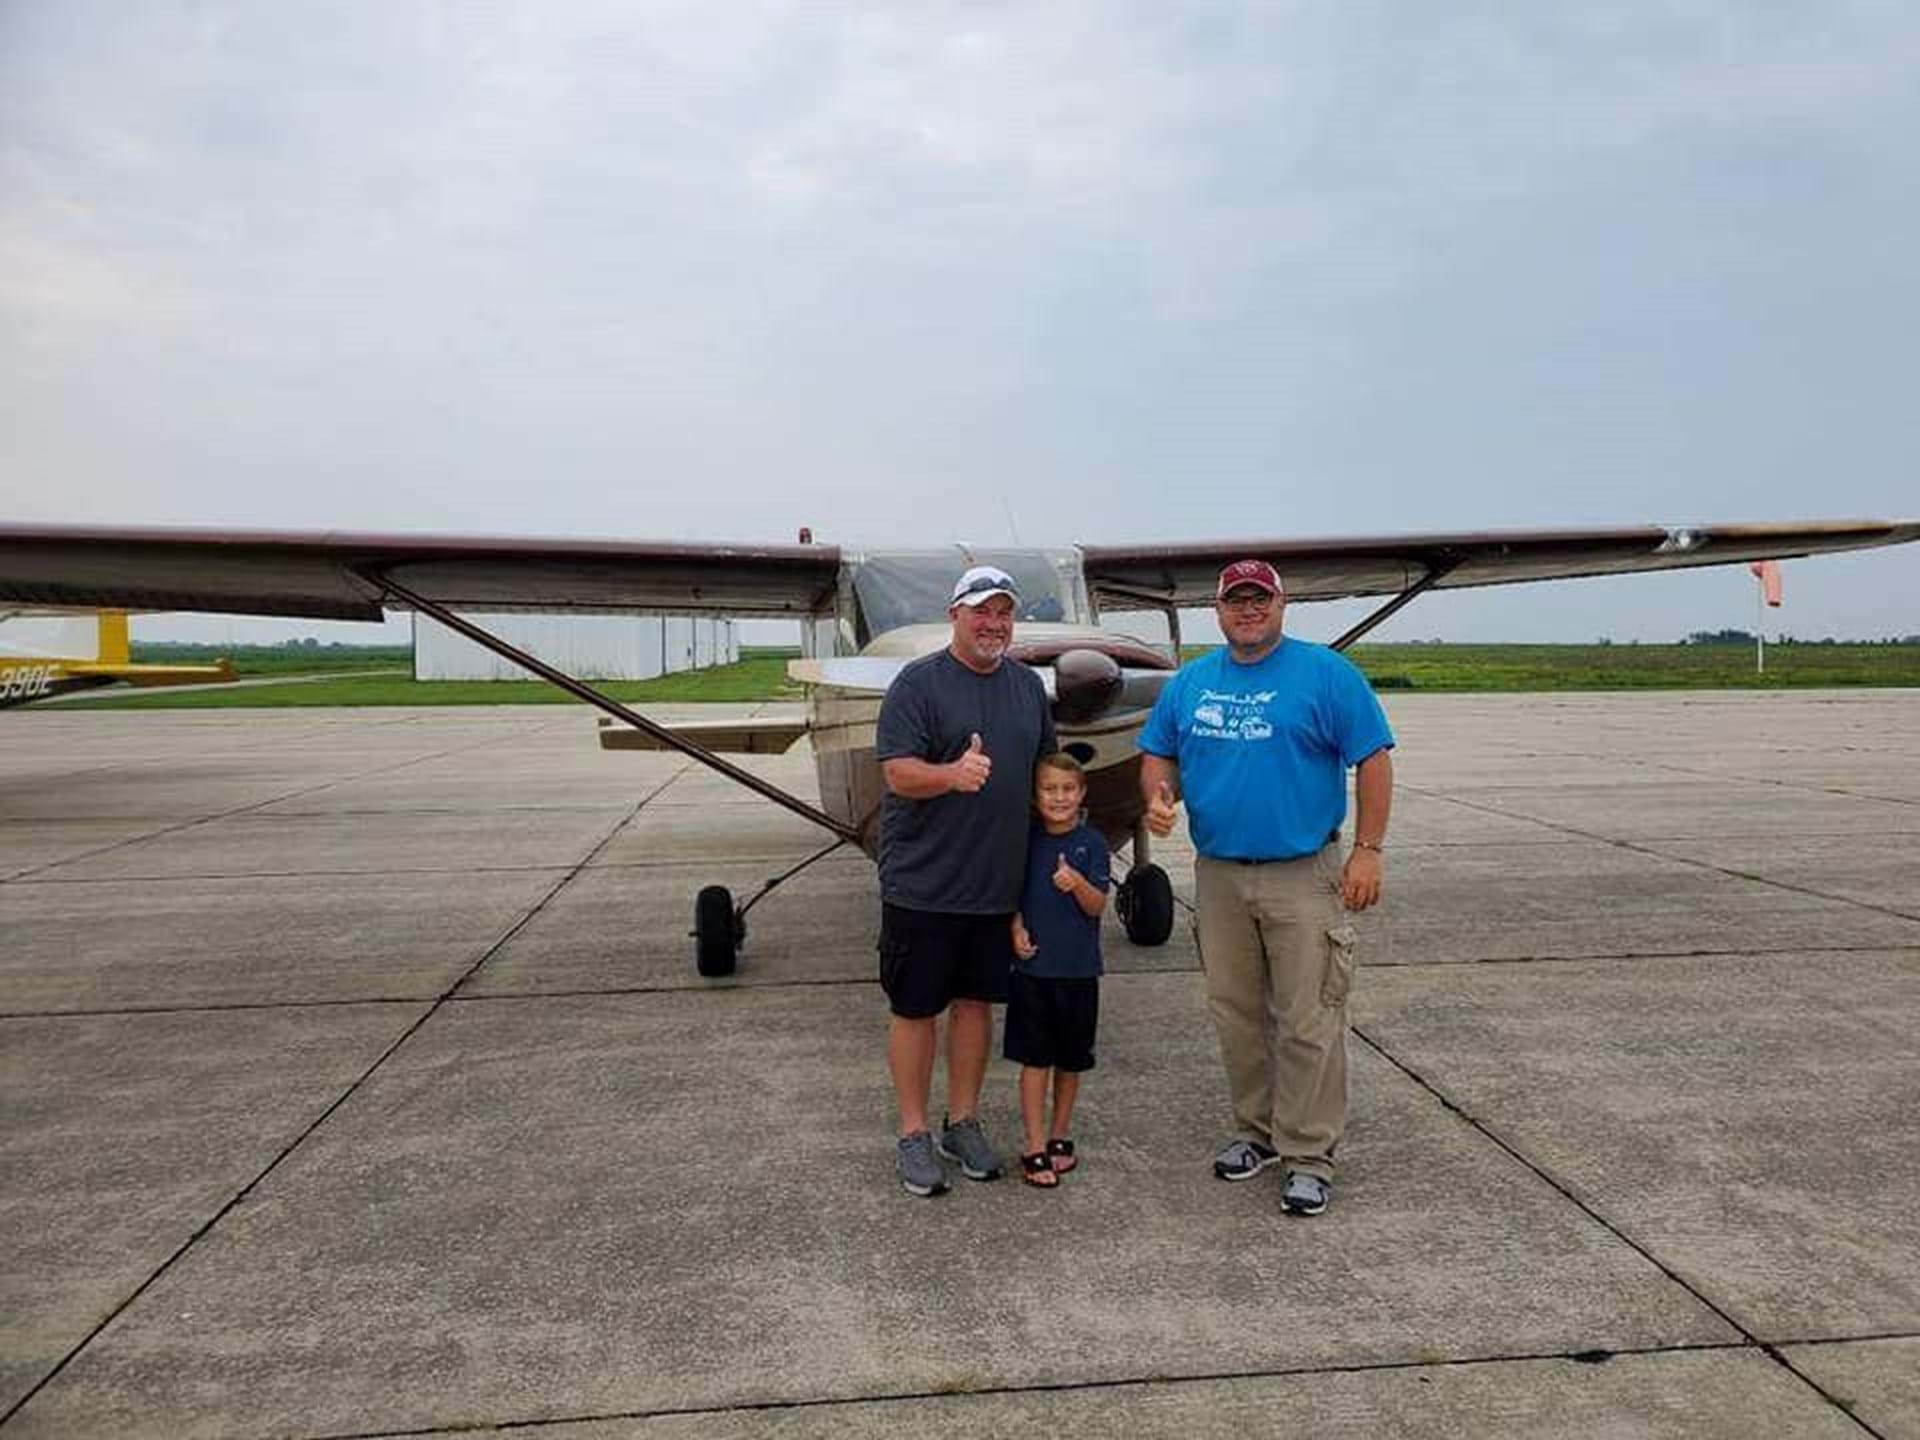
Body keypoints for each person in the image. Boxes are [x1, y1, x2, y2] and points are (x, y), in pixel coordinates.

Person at [1139, 559, 1394, 1218]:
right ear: (1217, 612)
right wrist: (1159, 798)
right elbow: (1158, 752)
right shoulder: (1191, 683)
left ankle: (1309, 1153)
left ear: (1281, 604)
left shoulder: (1327, 674)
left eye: (1260, 599)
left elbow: (1373, 756)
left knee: (1309, 1017)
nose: (1248, 611)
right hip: (1219, 873)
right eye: (1235, 601)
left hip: (1303, 873)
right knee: (1236, 1014)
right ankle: (1255, 1133)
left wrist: (1367, 850)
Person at [875, 564, 1057, 1197]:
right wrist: (950, 776)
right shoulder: (917, 685)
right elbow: (897, 773)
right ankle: (914, 1131)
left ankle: (964, 1121)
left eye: (1004, 612)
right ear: (955, 614)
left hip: (994, 884)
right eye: (981, 610)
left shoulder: (1029, 688)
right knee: (915, 1007)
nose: (994, 623)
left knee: (976, 1005)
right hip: (921, 883)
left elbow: (1044, 774)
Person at [1006, 753, 1110, 1189]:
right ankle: (1033, 1144)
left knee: (1071, 1062)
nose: (1059, 797)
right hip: (1033, 973)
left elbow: (1097, 905)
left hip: (1080, 971)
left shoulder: (1094, 844)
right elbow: (1010, 896)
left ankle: (1059, 1134)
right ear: (1036, 796)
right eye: (1050, 789)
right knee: (1035, 1062)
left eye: (1068, 789)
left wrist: (1077, 883)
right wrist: (1014, 928)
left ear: (1082, 794)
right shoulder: (1025, 842)